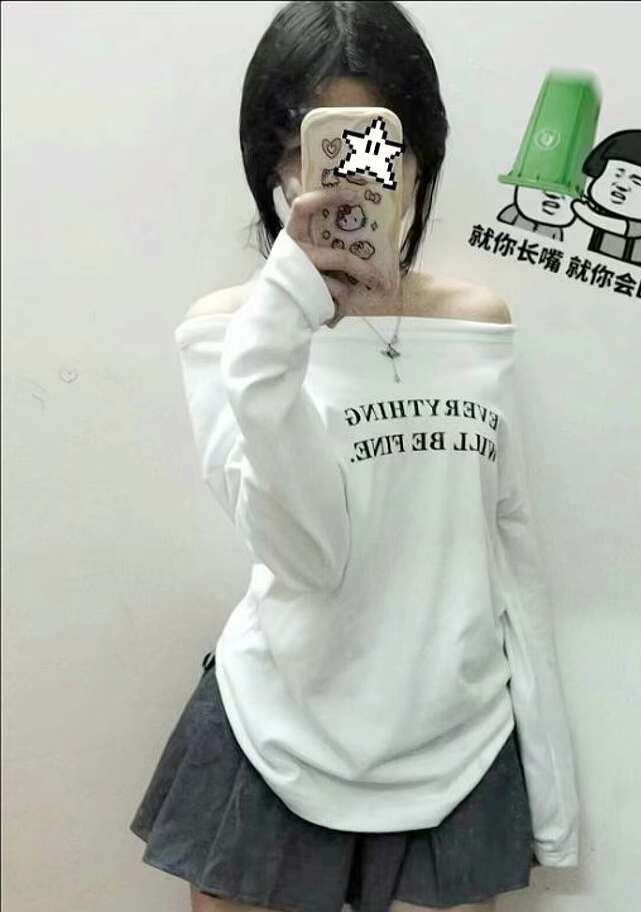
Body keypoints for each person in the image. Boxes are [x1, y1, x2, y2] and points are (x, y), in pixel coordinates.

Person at [129, 4, 580, 911]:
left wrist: (551, 780)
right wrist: (282, 325)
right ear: (276, 163)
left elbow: (511, 547)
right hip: (277, 734)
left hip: (456, 743)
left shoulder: (477, 324)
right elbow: (308, 554)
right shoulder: (229, 332)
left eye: (378, 146)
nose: (344, 181)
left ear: (419, 161)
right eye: (317, 148)